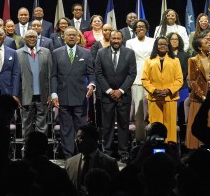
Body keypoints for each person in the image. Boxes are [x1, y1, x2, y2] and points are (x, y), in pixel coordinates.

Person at [51, 26, 95, 158]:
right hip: (63, 96)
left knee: (81, 128)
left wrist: (92, 85)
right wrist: (54, 94)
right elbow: (53, 75)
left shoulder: (86, 53)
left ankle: (81, 154)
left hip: (81, 96)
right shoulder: (56, 52)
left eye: (73, 35)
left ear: (77, 37)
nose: (71, 37)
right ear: (63, 37)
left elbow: (91, 73)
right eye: (68, 34)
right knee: (66, 129)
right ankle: (68, 155)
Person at [94, 30, 136, 162]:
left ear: (122, 39)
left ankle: (123, 152)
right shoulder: (101, 53)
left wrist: (121, 90)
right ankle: (107, 151)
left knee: (124, 125)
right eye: (114, 38)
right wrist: (109, 90)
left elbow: (132, 74)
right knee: (107, 125)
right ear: (109, 39)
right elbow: (98, 73)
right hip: (107, 96)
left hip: (124, 96)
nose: (116, 41)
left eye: (118, 38)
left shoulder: (129, 53)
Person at [142, 36, 183, 144]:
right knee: (155, 125)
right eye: (160, 44)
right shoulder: (148, 60)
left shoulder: (175, 60)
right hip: (154, 98)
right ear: (156, 46)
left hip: (170, 97)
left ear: (168, 46)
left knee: (170, 125)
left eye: (164, 44)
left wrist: (169, 90)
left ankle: (170, 148)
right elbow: (145, 79)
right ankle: (155, 147)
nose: (162, 46)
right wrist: (154, 90)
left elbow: (179, 80)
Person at [185, 34, 210, 149]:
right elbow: (192, 80)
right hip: (199, 97)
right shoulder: (192, 60)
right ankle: (197, 149)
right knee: (199, 123)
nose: (209, 44)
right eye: (206, 43)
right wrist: (202, 96)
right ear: (200, 47)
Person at [17, 29, 53, 137]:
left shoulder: (46, 52)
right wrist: (17, 95)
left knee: (42, 125)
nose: (32, 39)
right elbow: (16, 77)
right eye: (29, 37)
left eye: (34, 37)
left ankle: (41, 150)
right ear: (24, 39)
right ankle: (27, 149)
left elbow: (50, 75)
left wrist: (50, 94)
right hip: (25, 95)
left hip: (43, 94)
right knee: (26, 124)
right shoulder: (17, 53)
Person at [64, 124, 119, 193]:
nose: (77, 142)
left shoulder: (109, 163)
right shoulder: (70, 163)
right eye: (77, 138)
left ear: (93, 139)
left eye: (81, 138)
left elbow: (116, 189)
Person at [125, 19, 154, 143]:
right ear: (135, 29)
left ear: (147, 29)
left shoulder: (153, 41)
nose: (141, 28)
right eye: (138, 27)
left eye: (143, 26)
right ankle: (140, 139)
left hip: (152, 78)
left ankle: (153, 138)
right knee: (139, 111)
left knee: (152, 110)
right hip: (136, 78)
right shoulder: (130, 42)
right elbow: (129, 61)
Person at [22, 131, 77, 196]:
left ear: (32, 148)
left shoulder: (18, 170)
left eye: (26, 145)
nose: (23, 149)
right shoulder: (58, 171)